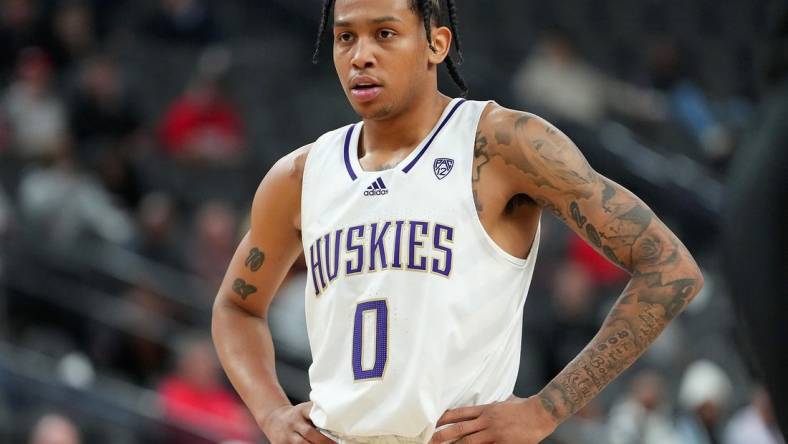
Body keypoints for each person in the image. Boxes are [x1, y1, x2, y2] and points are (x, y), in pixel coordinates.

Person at [211, 1, 704, 443]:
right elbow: (236, 308)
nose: (361, 55)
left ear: (436, 43)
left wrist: (546, 410)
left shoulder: (503, 143)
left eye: (384, 33)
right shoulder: (300, 176)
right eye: (346, 37)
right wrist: (273, 413)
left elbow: (669, 267)